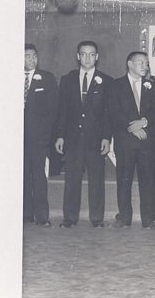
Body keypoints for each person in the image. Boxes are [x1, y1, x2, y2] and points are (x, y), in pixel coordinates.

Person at [55, 41, 113, 228]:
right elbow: (62, 110)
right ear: (78, 56)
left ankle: (97, 218)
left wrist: (106, 137)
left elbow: (107, 113)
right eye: (84, 54)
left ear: (97, 57)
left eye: (91, 54)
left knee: (96, 179)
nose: (87, 58)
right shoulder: (67, 79)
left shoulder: (107, 81)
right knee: (72, 179)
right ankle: (69, 218)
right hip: (73, 139)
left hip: (96, 140)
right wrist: (60, 136)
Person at [108, 52, 155, 229]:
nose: (145, 66)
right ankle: (123, 218)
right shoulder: (116, 85)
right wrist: (132, 128)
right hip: (125, 141)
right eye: (141, 62)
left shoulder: (152, 87)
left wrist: (144, 122)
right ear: (130, 64)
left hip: (146, 141)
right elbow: (114, 111)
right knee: (124, 180)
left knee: (148, 181)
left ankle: (149, 219)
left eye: (146, 63)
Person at [23, 44, 58, 227]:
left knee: (39, 176)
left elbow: (53, 109)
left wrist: (47, 135)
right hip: (16, 139)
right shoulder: (9, 77)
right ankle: (25, 214)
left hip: (39, 139)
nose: (31, 59)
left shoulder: (47, 78)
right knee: (21, 175)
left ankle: (42, 216)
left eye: (33, 56)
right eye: (26, 56)